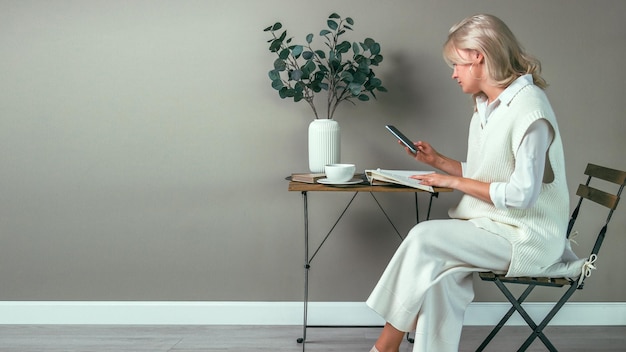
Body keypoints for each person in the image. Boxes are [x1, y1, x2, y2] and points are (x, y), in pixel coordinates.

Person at [367, 14, 586, 352]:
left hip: (527, 237)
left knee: (424, 238)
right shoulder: (487, 107)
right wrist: (440, 163)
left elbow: (522, 195)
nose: (454, 73)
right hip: (496, 227)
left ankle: (385, 346)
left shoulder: (530, 109)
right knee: (441, 279)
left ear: (478, 55)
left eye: (456, 63)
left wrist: (452, 182)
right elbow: (494, 173)